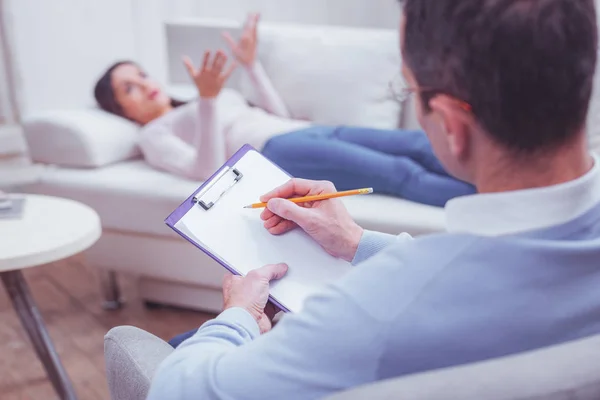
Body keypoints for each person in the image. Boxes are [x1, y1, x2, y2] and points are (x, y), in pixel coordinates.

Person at [146, 0, 600, 398]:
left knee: (169, 346)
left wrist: (238, 316)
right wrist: (356, 240)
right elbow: (494, 276)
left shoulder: (372, 311)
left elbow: (176, 391)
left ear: (452, 128)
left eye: (409, 89)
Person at [93, 13, 474, 207]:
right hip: (276, 152)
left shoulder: (196, 101)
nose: (145, 84)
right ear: (122, 110)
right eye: (130, 88)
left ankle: (510, 186)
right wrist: (208, 100)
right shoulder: (154, 134)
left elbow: (280, 116)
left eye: (140, 74)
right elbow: (206, 170)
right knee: (402, 173)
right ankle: (490, 203)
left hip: (300, 131)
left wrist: (250, 65)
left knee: (418, 144)